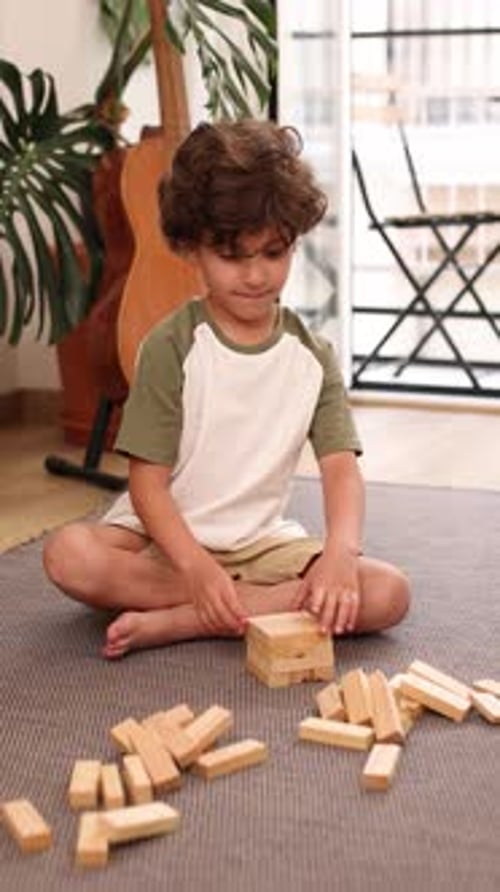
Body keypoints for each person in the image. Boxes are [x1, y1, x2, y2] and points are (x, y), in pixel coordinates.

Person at [43, 119, 410, 659]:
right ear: (191, 248)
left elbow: (341, 470)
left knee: (387, 592)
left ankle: (191, 620)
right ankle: (244, 605)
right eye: (233, 256)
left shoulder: (313, 357)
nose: (256, 275)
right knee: (68, 554)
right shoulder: (171, 347)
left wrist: (339, 553)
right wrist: (195, 568)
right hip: (162, 546)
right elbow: (147, 488)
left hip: (262, 545)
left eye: (273, 253)